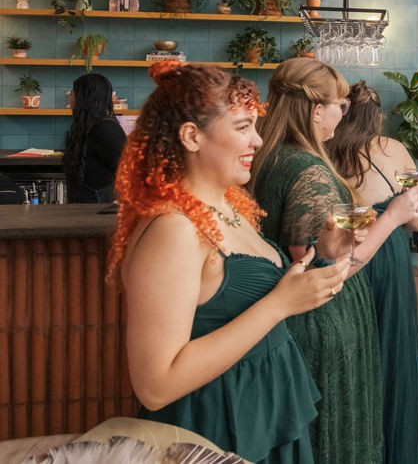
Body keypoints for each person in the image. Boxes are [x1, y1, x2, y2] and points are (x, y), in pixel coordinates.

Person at [108, 61, 348, 463]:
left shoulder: (233, 206)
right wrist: (278, 306)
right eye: (242, 127)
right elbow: (155, 384)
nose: (256, 139)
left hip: (262, 410)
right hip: (216, 427)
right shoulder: (175, 229)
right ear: (191, 137)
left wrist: (323, 253)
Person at [249, 58, 418, 464]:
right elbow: (331, 269)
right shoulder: (307, 168)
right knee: (334, 438)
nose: (342, 115)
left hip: (287, 316)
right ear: (315, 109)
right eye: (340, 106)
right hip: (324, 321)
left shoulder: (268, 156)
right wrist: (393, 216)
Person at [329, 80, 418, 464]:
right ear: (378, 117)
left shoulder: (324, 155)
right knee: (392, 349)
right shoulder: (394, 149)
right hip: (388, 259)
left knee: (354, 354)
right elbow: (415, 223)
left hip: (344, 258)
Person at [63, 73, 126, 203]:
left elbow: (128, 169)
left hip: (97, 208)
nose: (71, 101)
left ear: (84, 98)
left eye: (73, 95)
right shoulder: (89, 125)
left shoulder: (105, 129)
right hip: (86, 208)